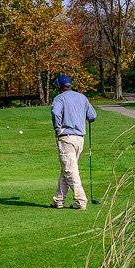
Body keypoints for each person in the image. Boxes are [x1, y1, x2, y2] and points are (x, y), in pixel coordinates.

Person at [49, 74, 96, 209]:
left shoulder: (59, 98)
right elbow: (92, 116)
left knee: (70, 170)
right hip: (79, 139)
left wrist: (58, 129)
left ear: (60, 86)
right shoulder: (82, 97)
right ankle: (58, 200)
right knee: (67, 169)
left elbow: (56, 113)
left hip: (66, 137)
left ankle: (80, 201)